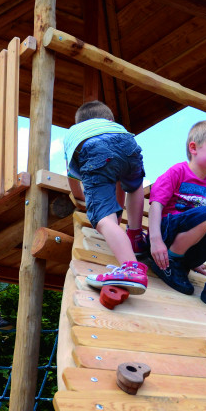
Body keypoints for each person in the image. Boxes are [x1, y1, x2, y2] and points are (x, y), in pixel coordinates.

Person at [148, 120, 206, 321]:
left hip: (189, 238)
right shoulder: (178, 171)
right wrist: (155, 239)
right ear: (194, 148)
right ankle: (171, 261)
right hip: (165, 236)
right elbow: (156, 204)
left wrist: (197, 259)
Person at [64, 100, 148, 294]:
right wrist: (117, 215)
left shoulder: (75, 133)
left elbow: (72, 177)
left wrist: (82, 198)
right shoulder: (114, 127)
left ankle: (131, 268)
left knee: (102, 218)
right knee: (135, 184)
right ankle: (134, 234)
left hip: (94, 150)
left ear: (78, 124)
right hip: (128, 143)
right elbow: (120, 182)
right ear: (109, 119)